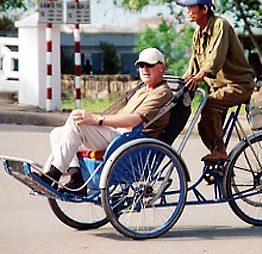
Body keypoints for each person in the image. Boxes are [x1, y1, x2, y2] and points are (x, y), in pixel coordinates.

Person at [38, 48, 173, 194]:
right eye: (141, 66)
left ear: (162, 67)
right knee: (57, 133)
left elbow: (135, 120)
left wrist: (97, 119)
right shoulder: (142, 89)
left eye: (149, 65)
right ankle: (75, 176)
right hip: (119, 134)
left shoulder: (162, 92)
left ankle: (54, 174)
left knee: (75, 121)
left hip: (130, 139)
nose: (144, 69)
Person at [176, 0, 255, 162]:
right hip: (220, 87)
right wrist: (180, 84)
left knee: (209, 105)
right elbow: (194, 62)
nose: (188, 12)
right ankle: (222, 165)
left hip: (238, 85)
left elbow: (216, 57)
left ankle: (220, 150)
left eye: (191, 7)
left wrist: (200, 75)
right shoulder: (198, 33)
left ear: (204, 9)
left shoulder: (221, 25)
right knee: (203, 127)